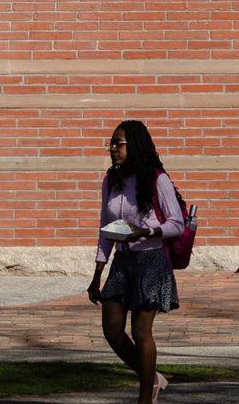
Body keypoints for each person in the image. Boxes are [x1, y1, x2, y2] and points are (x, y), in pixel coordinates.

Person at [88, 120, 185, 404]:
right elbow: (106, 229)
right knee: (112, 329)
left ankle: (145, 397)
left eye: (118, 144)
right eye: (110, 144)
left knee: (141, 332)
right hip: (122, 261)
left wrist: (148, 231)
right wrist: (97, 274)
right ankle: (153, 379)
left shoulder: (157, 179)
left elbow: (176, 223)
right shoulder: (111, 181)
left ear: (135, 145)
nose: (112, 149)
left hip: (151, 260)